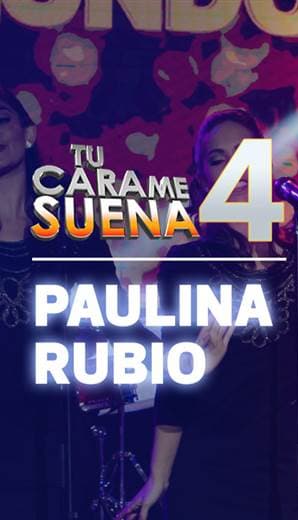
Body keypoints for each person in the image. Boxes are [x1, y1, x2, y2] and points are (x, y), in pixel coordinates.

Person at [119, 108, 298, 520]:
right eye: (219, 160)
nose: (235, 170)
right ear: (203, 181)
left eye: (244, 155)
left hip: (292, 470)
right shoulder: (189, 264)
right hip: (213, 469)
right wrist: (159, 477)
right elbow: (174, 389)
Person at [0, 87, 148, 518]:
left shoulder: (69, 233)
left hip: (52, 431)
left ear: (28, 133)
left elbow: (116, 316)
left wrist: (184, 354)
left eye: (2, 119)